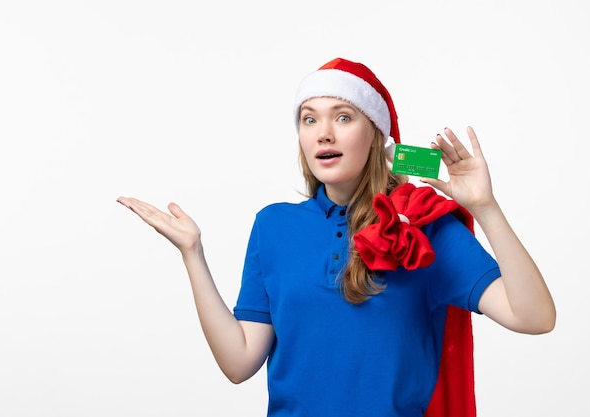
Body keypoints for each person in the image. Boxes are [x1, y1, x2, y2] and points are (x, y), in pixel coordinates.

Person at [117, 57, 556, 417]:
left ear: (377, 138)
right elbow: (239, 363)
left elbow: (534, 317)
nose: (323, 132)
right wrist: (193, 254)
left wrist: (486, 208)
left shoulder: (423, 225)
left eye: (343, 117)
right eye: (309, 120)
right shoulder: (274, 226)